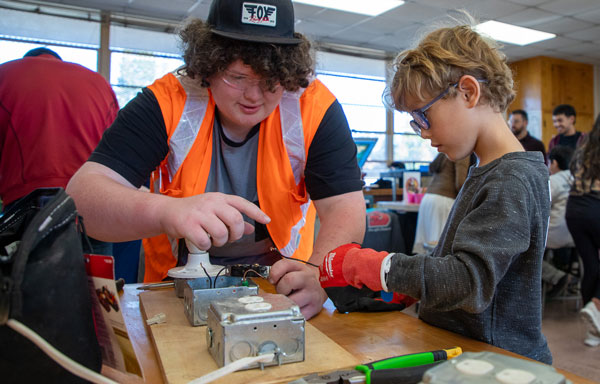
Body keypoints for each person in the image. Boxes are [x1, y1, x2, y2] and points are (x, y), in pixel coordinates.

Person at [66, 0, 365, 319]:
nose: (253, 96)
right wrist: (168, 210)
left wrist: (319, 274)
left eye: (270, 82)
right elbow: (81, 197)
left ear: (289, 74)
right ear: (208, 65)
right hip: (174, 288)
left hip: (282, 289)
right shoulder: (168, 100)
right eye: (237, 77)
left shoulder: (314, 108)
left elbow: (345, 207)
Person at [318, 19, 553, 363]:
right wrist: (410, 288)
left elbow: (467, 282)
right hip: (467, 354)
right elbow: (457, 265)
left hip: (497, 363)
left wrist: (375, 266)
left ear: (469, 92)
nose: (423, 134)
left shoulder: (511, 178)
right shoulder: (487, 170)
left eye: (424, 116)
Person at [0, 47, 119, 254]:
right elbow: (118, 149)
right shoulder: (99, 83)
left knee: (26, 281)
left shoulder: (6, 75)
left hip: (29, 203)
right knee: (97, 283)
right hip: (94, 203)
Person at [565, 114, 600, 347]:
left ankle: (594, 331)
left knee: (591, 265)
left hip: (574, 209)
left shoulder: (585, 146)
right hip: (596, 206)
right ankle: (595, 305)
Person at [412, 152, 472, 254]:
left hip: (428, 199)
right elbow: (461, 183)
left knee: (428, 248)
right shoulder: (462, 152)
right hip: (443, 201)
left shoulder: (446, 152)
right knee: (440, 248)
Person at [542, 145, 575, 297]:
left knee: (522, 248)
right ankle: (561, 275)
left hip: (554, 236)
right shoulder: (576, 178)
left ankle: (557, 277)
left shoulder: (552, 181)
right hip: (576, 236)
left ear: (554, 163)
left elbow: (540, 206)